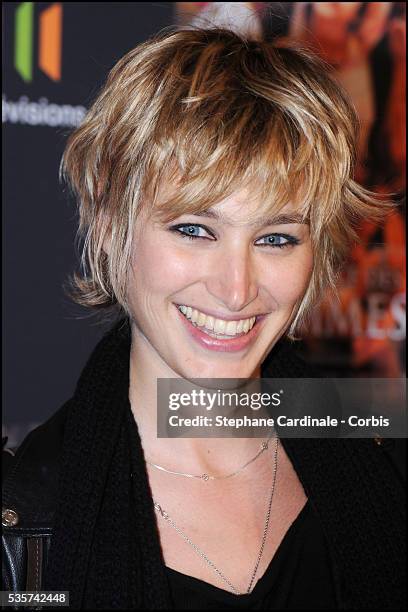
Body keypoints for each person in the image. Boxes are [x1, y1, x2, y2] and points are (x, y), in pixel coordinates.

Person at [2, 27, 405, 610]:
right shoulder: (24, 522)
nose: (236, 289)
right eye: (194, 229)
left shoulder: (383, 450)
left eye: (275, 237)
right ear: (112, 225)